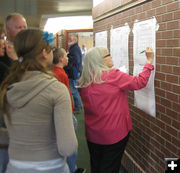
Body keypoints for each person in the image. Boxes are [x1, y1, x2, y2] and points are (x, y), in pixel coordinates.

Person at [0, 28, 78, 173]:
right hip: (51, 167)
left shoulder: (7, 87)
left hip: (15, 167)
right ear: (44, 53)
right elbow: (67, 147)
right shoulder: (57, 90)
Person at [78, 47, 154, 173]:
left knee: (97, 164)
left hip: (93, 134)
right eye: (108, 55)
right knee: (110, 167)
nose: (111, 57)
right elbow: (139, 82)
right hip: (113, 134)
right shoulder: (112, 75)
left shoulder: (86, 78)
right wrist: (149, 61)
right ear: (100, 60)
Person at [0, 13, 27, 173]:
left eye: (24, 27)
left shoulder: (26, 50)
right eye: (19, 27)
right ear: (7, 30)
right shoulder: (5, 54)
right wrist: (15, 61)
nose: (23, 31)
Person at [53, 48, 86, 173]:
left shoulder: (58, 72)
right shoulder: (60, 74)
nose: (68, 58)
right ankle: (72, 169)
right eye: (65, 57)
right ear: (61, 59)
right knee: (71, 145)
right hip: (66, 114)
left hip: (65, 113)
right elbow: (65, 96)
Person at [64, 34, 82, 112]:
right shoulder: (74, 48)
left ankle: (78, 107)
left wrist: (68, 59)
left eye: (70, 40)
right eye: (69, 39)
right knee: (74, 90)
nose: (69, 41)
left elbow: (76, 60)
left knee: (73, 90)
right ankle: (78, 106)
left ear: (75, 40)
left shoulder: (75, 49)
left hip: (73, 73)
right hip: (73, 72)